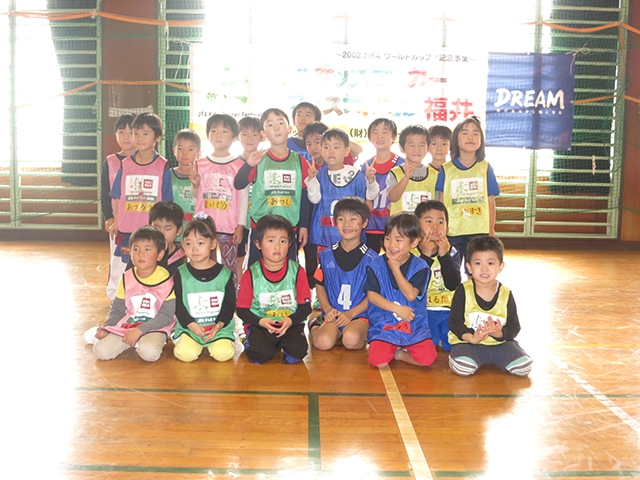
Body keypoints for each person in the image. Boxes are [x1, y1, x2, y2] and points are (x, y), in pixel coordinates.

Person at [233, 108, 311, 266]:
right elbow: (239, 183)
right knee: (255, 272)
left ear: (289, 129)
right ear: (263, 134)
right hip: (260, 228)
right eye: (270, 124)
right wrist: (249, 165)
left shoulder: (300, 161)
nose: (276, 127)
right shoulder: (258, 159)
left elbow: (304, 196)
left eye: (280, 123)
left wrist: (303, 225)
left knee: (288, 272)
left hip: (289, 228)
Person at [88, 226, 176, 362]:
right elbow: (118, 309)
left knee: (149, 354)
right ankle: (133, 341)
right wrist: (107, 327)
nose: (140, 254)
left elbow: (166, 316)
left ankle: (143, 341)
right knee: (101, 352)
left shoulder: (168, 281)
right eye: (136, 249)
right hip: (128, 325)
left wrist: (140, 330)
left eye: (147, 249)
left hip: (154, 327)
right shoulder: (126, 277)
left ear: (159, 255)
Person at [448, 235, 532, 376]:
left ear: (501, 266)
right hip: (469, 344)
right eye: (478, 263)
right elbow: (454, 323)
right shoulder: (463, 291)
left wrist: (499, 333)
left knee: (524, 367)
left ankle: (499, 357)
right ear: (468, 267)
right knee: (463, 367)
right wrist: (472, 337)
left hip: (500, 345)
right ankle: (462, 356)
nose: (484, 269)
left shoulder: (506, 294)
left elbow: (514, 326)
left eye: (491, 263)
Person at [364, 212, 437, 368]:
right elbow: (372, 296)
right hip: (384, 325)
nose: (391, 245)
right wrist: (396, 308)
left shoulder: (421, 266)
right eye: (388, 238)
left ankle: (398, 354)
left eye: (399, 240)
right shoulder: (375, 264)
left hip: (414, 326)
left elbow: (411, 295)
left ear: (414, 242)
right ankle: (388, 347)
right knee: (378, 361)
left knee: (427, 359)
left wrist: (396, 269)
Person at [236, 215, 312, 364]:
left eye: (282, 241)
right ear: (258, 244)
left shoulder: (297, 271)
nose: (277, 246)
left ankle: (280, 343)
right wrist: (261, 321)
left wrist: (290, 321)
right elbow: (242, 310)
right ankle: (246, 337)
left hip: (288, 323)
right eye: (271, 240)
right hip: (261, 323)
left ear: (289, 244)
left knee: (298, 353)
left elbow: (305, 307)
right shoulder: (251, 274)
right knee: (258, 354)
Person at [308, 197, 378, 351]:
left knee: (351, 340)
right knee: (323, 343)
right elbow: (320, 285)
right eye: (341, 219)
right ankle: (315, 323)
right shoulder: (326, 255)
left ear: (365, 222)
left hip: (359, 314)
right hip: (333, 314)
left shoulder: (373, 260)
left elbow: (374, 295)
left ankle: (356, 331)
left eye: (353, 219)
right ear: (335, 222)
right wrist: (327, 309)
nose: (347, 224)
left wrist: (351, 314)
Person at [191, 113, 247, 290]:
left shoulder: (239, 165)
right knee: (205, 263)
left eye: (224, 131)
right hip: (204, 226)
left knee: (229, 267)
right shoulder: (200, 163)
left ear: (234, 137)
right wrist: (195, 184)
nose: (218, 135)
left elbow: (244, 197)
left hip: (229, 227)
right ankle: (208, 293)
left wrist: (240, 225)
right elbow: (196, 195)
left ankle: (230, 297)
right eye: (213, 130)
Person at [109, 113, 173, 267]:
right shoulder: (125, 165)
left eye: (145, 134)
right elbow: (118, 196)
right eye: (135, 133)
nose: (139, 138)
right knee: (127, 268)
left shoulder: (162, 166)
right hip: (127, 228)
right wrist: (116, 221)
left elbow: (166, 202)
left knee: (150, 265)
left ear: (157, 137)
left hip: (151, 230)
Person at [435, 116, 500, 266]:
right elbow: (442, 201)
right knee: (452, 271)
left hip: (479, 231)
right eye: (465, 133)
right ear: (455, 140)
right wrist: (442, 226)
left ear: (481, 141)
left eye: (475, 133)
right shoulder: (446, 169)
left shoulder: (485, 168)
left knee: (476, 271)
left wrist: (491, 228)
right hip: (453, 232)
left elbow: (491, 200)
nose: (470, 136)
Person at [172, 214, 236, 363]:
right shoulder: (180, 273)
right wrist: (191, 325)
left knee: (224, 354)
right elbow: (178, 305)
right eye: (189, 244)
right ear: (183, 245)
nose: (194, 249)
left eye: (200, 243)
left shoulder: (225, 274)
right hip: (191, 329)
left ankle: (222, 339)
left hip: (218, 330)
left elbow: (229, 304)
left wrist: (219, 324)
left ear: (213, 244)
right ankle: (184, 339)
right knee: (185, 355)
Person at [306, 128, 378, 249]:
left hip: (352, 236)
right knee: (327, 265)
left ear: (347, 151)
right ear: (321, 151)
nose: (331, 151)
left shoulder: (356, 174)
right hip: (325, 235)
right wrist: (311, 179)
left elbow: (371, 195)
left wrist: (371, 180)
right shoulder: (318, 175)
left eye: (336, 147)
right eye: (327, 147)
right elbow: (314, 199)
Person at [414, 200, 461, 351]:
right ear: (417, 227)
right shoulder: (410, 253)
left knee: (452, 343)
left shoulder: (452, 251)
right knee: (430, 341)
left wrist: (444, 256)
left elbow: (453, 284)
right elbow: (413, 287)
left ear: (447, 228)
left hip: (448, 309)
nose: (435, 227)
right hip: (422, 309)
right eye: (428, 221)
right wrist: (426, 257)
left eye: (440, 222)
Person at [102, 113, 136, 301]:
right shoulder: (110, 161)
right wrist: (109, 217)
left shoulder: (146, 162)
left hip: (140, 221)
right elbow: (105, 192)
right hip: (118, 223)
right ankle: (115, 296)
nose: (125, 136)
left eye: (131, 132)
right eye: (121, 132)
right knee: (118, 260)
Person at [362, 118, 404, 253]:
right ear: (369, 138)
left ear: (393, 137)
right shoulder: (366, 165)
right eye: (375, 132)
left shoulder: (402, 165)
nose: (380, 136)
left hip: (394, 226)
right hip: (370, 225)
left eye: (385, 132)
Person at [235, 116, 264, 282]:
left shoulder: (265, 160)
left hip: (258, 218)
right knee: (239, 256)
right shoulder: (234, 162)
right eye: (244, 134)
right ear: (238, 137)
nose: (249, 138)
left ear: (262, 136)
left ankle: (256, 286)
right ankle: (240, 287)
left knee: (258, 256)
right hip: (239, 219)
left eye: (254, 134)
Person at [387, 125, 438, 215]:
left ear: (428, 148)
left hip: (425, 227)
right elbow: (393, 198)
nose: (417, 149)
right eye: (412, 145)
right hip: (401, 226)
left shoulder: (434, 175)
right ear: (401, 148)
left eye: (421, 145)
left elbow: (438, 205)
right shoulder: (395, 173)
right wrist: (406, 177)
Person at [170, 128, 201, 241]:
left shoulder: (201, 176)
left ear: (199, 153)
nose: (185, 153)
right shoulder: (168, 175)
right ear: (174, 150)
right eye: (180, 148)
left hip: (196, 233)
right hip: (172, 233)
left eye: (190, 149)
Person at [148, 201, 187, 275]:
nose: (162, 233)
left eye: (168, 229)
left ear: (179, 231)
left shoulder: (183, 256)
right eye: (156, 227)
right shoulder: (142, 251)